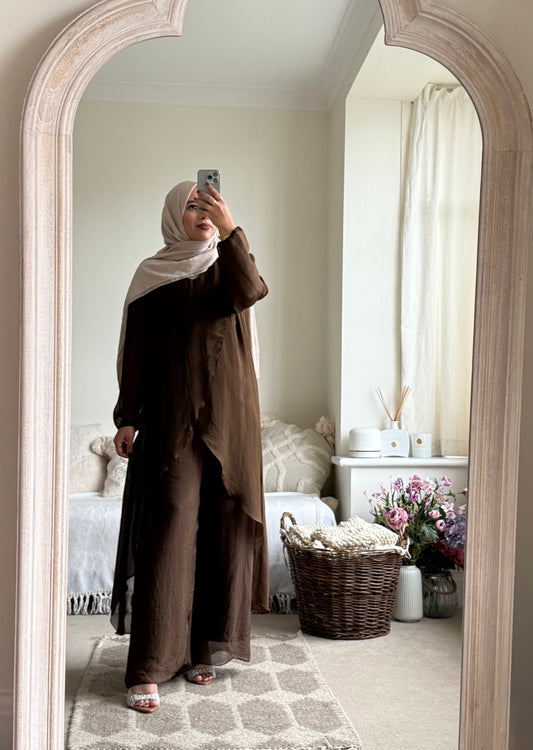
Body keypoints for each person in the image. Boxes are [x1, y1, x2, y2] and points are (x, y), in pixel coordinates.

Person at [110, 179, 269, 714]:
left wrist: (231, 231)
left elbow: (251, 290)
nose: (202, 214)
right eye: (192, 206)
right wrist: (127, 417)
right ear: (172, 215)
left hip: (230, 423)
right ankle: (150, 665)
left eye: (210, 206)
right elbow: (137, 351)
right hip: (171, 421)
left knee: (221, 532)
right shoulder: (152, 275)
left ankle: (203, 648)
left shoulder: (229, 267)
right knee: (168, 531)